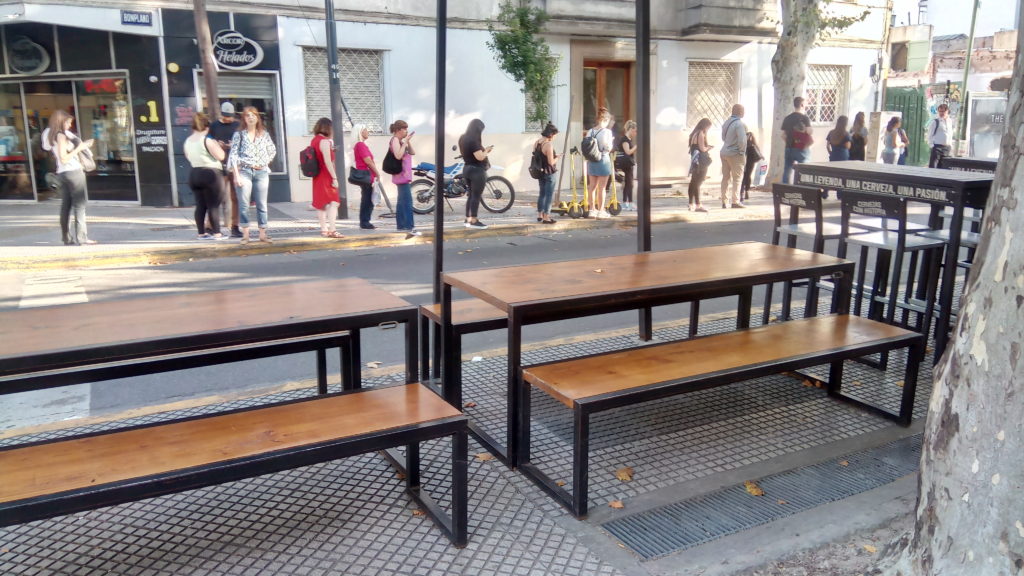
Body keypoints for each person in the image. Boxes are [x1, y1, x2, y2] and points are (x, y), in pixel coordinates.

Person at [227, 106, 277, 244]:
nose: (250, 117)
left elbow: (272, 150)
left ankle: (263, 234)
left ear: (257, 118)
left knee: (262, 204)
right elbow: (233, 155)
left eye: (253, 115)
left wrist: (265, 161)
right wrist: (236, 175)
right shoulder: (239, 135)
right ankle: (246, 235)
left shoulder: (264, 134)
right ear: (244, 118)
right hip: (244, 171)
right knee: (244, 204)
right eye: (247, 115)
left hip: (261, 171)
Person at [46, 110, 96, 246]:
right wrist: (80, 147)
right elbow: (64, 158)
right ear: (61, 122)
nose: (69, 125)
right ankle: (82, 238)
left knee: (65, 206)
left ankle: (66, 238)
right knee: (79, 206)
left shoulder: (51, 136)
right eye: (67, 122)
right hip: (73, 171)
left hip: (62, 174)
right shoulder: (61, 136)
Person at [184, 112, 227, 240]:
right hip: (211, 174)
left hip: (194, 173)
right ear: (207, 126)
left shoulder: (188, 141)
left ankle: (201, 233)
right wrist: (219, 145)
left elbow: (188, 157)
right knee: (213, 205)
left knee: (200, 205)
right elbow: (221, 156)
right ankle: (217, 233)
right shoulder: (207, 140)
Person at [208, 102, 241, 237]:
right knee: (217, 195)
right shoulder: (214, 125)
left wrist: (234, 145)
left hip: (235, 165)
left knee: (235, 197)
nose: (228, 119)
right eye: (226, 116)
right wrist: (217, 144)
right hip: (219, 164)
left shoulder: (238, 125)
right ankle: (210, 225)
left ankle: (235, 226)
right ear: (221, 114)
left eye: (230, 116)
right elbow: (208, 142)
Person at [310, 117, 343, 238]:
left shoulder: (314, 140)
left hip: (317, 175)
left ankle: (324, 229)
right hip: (326, 175)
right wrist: (334, 178)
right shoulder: (324, 142)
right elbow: (328, 162)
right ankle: (333, 229)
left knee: (321, 204)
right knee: (334, 202)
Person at [388, 120, 420, 236]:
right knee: (407, 201)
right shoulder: (395, 140)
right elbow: (398, 155)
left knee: (402, 201)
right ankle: (409, 226)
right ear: (398, 130)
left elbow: (412, 152)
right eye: (404, 129)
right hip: (401, 175)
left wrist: (407, 141)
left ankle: (401, 225)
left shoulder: (401, 141)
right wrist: (405, 142)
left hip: (403, 175)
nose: (406, 131)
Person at [457, 118, 491, 229]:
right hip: (477, 171)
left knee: (471, 195)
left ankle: (467, 219)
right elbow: (479, 157)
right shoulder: (474, 141)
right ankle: (474, 221)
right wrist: (486, 151)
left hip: (467, 169)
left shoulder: (463, 138)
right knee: (476, 196)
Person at [584, 108, 614, 219]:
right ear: (606, 120)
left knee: (592, 187)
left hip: (592, 161)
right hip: (603, 160)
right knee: (602, 188)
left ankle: (592, 210)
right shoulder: (607, 132)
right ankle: (601, 211)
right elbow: (608, 147)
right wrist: (611, 142)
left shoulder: (590, 131)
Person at [350, 123, 381, 230]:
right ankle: (365, 222)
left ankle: (365, 221)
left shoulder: (360, 145)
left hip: (366, 175)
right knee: (367, 199)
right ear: (360, 132)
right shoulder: (360, 145)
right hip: (366, 176)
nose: (368, 132)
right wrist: (377, 173)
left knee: (367, 198)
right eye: (366, 130)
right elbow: (368, 160)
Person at [720, 104, 747, 209]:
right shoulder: (739, 124)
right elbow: (742, 140)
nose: (744, 113)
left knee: (725, 178)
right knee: (737, 178)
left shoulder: (726, 122)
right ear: (740, 112)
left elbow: (723, 138)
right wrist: (742, 152)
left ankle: (724, 201)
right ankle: (735, 201)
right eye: (743, 111)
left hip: (724, 152)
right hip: (735, 153)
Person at [780, 96, 813, 184]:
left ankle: (784, 188)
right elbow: (809, 132)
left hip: (789, 147)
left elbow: (783, 135)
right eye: (805, 104)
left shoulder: (787, 118)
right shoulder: (804, 118)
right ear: (802, 105)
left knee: (787, 170)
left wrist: (788, 142)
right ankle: (802, 188)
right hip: (801, 148)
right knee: (804, 170)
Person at [533, 122, 559, 224]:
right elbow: (551, 162)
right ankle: (546, 217)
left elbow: (536, 157)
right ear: (551, 134)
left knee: (542, 194)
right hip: (549, 172)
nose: (555, 137)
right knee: (549, 195)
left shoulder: (537, 143)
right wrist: (558, 157)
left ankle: (540, 215)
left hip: (540, 172)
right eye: (555, 135)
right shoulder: (548, 145)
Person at [686, 118, 712, 213]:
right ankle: (698, 205)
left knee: (693, 182)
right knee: (698, 183)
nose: (708, 129)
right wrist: (708, 148)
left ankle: (691, 204)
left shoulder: (694, 133)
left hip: (695, 161)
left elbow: (694, 148)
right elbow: (702, 149)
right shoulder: (700, 133)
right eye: (708, 127)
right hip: (701, 161)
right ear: (705, 126)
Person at [615, 120, 637, 211]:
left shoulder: (627, 139)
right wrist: (636, 147)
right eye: (635, 131)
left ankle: (626, 203)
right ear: (631, 129)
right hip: (626, 164)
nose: (635, 133)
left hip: (627, 163)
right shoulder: (625, 140)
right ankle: (629, 203)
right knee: (630, 183)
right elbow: (628, 152)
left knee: (628, 183)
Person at [739, 131, 763, 202]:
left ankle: (744, 191)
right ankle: (745, 191)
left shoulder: (751, 145)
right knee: (746, 176)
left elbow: (758, 153)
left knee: (745, 176)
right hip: (748, 162)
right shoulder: (751, 144)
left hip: (748, 162)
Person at [928, 103, 952, 168]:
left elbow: (950, 134)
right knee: (933, 166)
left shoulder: (949, 121)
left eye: (943, 111)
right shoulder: (935, 122)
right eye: (940, 111)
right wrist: (932, 146)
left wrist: (950, 145)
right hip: (937, 147)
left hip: (946, 148)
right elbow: (929, 135)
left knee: (943, 167)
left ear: (947, 111)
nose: (941, 113)